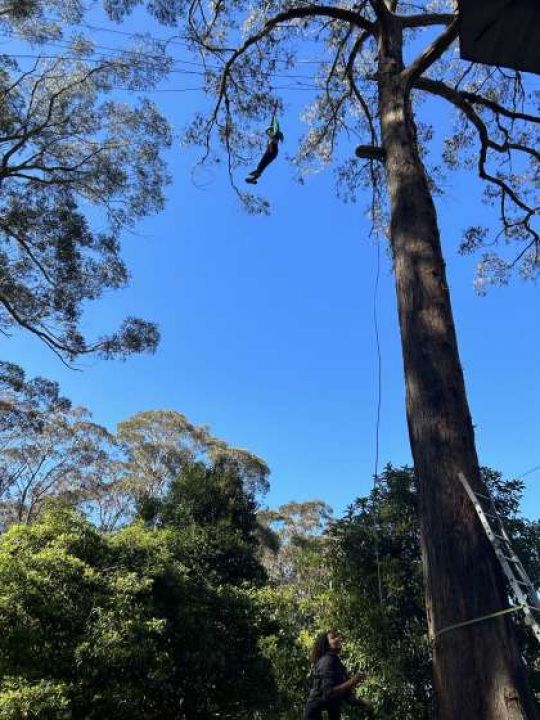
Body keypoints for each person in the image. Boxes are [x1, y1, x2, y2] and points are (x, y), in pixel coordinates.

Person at [303, 630, 371, 720]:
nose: (338, 639)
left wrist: (362, 704)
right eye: (333, 637)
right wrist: (352, 681)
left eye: (337, 636)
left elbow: (345, 694)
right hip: (316, 714)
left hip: (330, 712)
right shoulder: (326, 662)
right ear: (327, 645)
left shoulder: (336, 662)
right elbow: (329, 693)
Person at [245, 114, 284, 184]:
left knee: (262, 164)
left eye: (270, 134)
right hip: (271, 151)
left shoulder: (275, 136)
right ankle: (254, 178)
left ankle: (256, 175)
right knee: (262, 165)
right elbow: (272, 131)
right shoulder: (272, 137)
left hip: (272, 150)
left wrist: (274, 118)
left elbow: (276, 127)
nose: (269, 135)